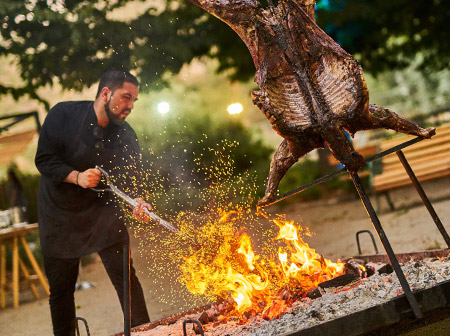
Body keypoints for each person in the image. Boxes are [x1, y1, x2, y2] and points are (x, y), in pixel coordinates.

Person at [35, 68, 151, 336]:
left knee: (127, 281)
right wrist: (77, 177)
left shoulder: (125, 135)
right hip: (59, 215)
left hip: (103, 215)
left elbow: (133, 177)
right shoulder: (63, 115)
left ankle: (145, 333)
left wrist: (139, 200)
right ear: (106, 93)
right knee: (61, 291)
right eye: (126, 97)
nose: (130, 106)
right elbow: (44, 159)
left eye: (134, 100)